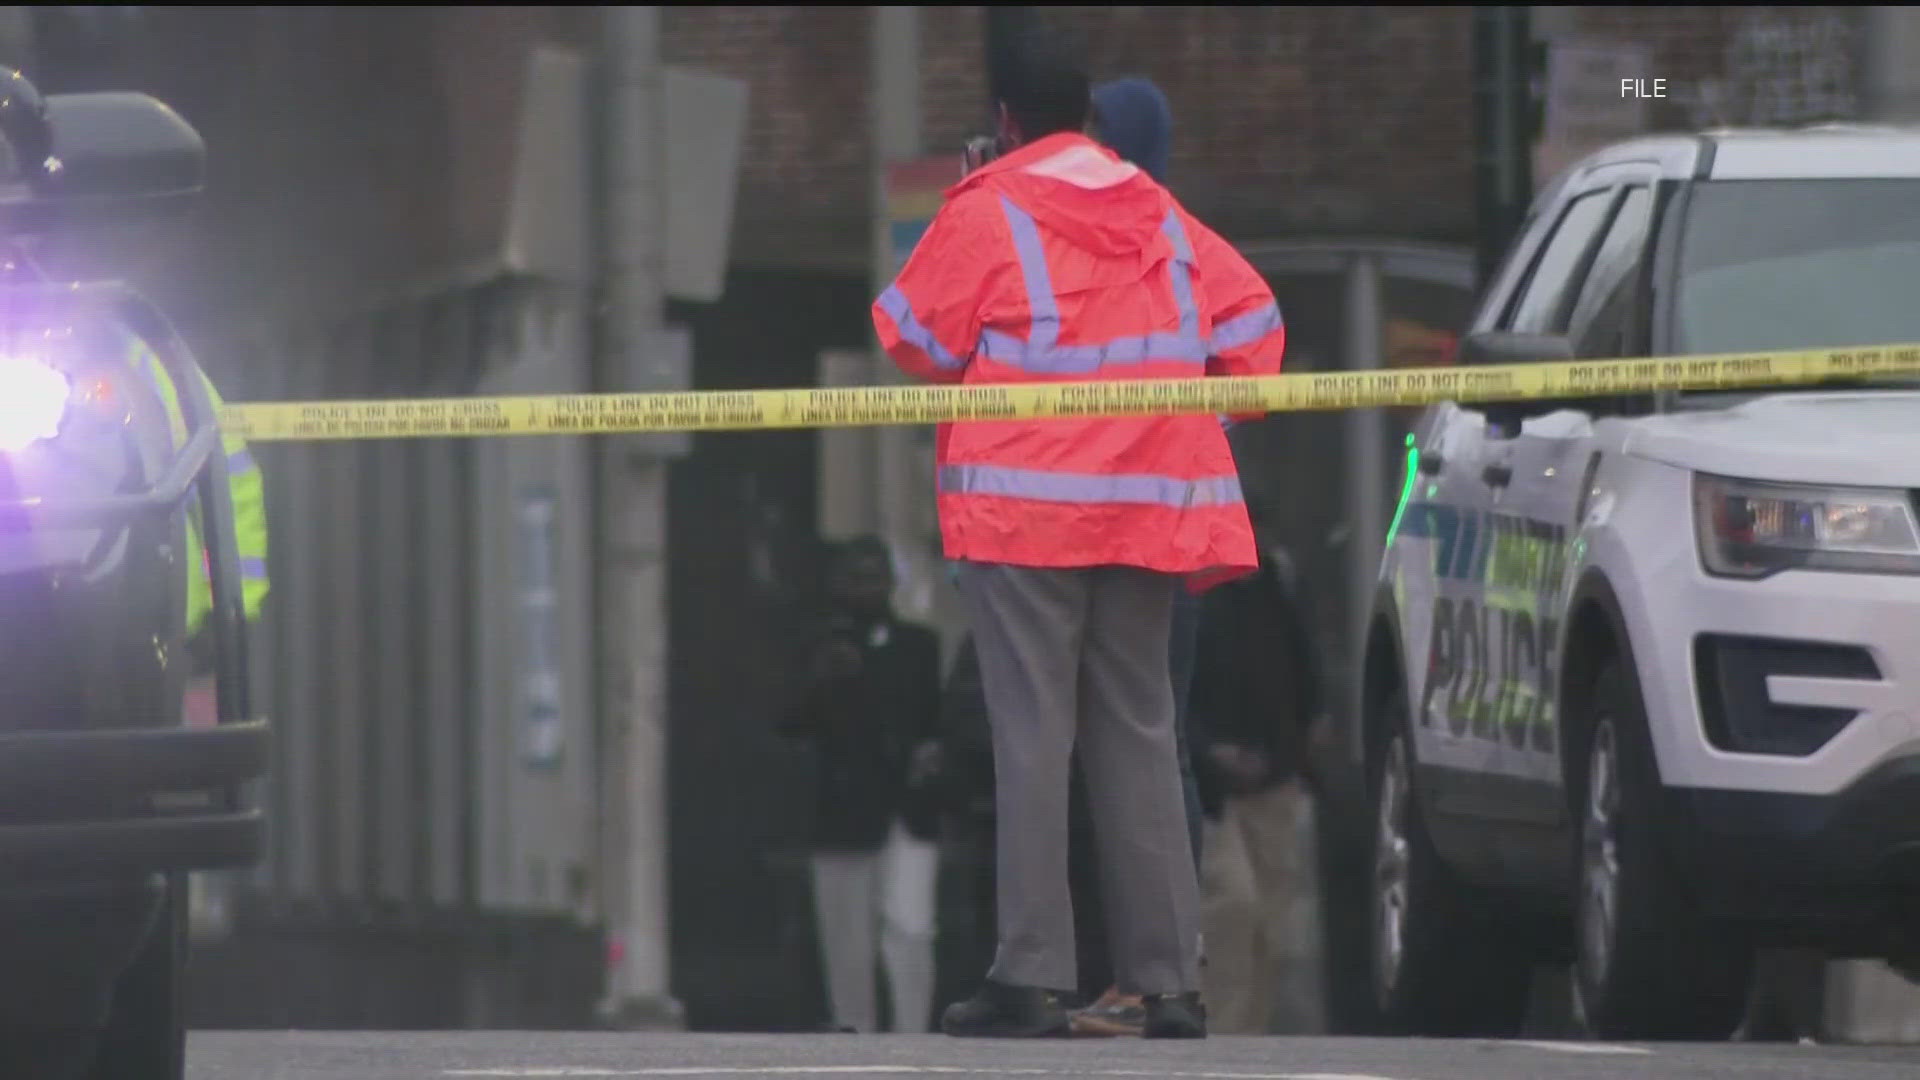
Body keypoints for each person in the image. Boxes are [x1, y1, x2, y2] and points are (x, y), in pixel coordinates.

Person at [871, 24, 1286, 1040]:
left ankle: (1031, 975)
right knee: (1142, 734)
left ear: (1006, 118)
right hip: (1147, 512)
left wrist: (966, 200)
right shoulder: (1157, 209)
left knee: (1034, 737)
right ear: (1090, 114)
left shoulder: (989, 206)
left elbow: (912, 341)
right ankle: (1170, 983)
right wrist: (1167, 426)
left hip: (1024, 519)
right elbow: (1254, 340)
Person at [1068, 73, 1208, 1039]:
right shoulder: (1179, 241)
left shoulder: (1122, 238)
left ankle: (1148, 976)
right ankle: (1157, 974)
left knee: (1141, 749)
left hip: (1124, 519)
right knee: (1157, 743)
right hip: (1168, 517)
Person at [778, 537, 946, 1034]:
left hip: (907, 807)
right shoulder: (815, 645)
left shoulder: (920, 646)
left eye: (874, 578)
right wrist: (821, 677)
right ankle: (853, 1031)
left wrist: (934, 757)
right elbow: (787, 721)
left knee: (911, 927)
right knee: (845, 933)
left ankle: (913, 1033)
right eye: (855, 578)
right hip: (843, 806)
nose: (865, 589)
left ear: (891, 585)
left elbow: (937, 718)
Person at [1188, 501, 1329, 1035]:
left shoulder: (1278, 590)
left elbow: (1303, 663)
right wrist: (1211, 753)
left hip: (1274, 778)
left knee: (1273, 921)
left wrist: (1311, 725)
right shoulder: (1197, 598)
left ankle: (1252, 1034)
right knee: (1232, 907)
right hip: (1215, 791)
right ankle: (1221, 1028)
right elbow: (1173, 694)